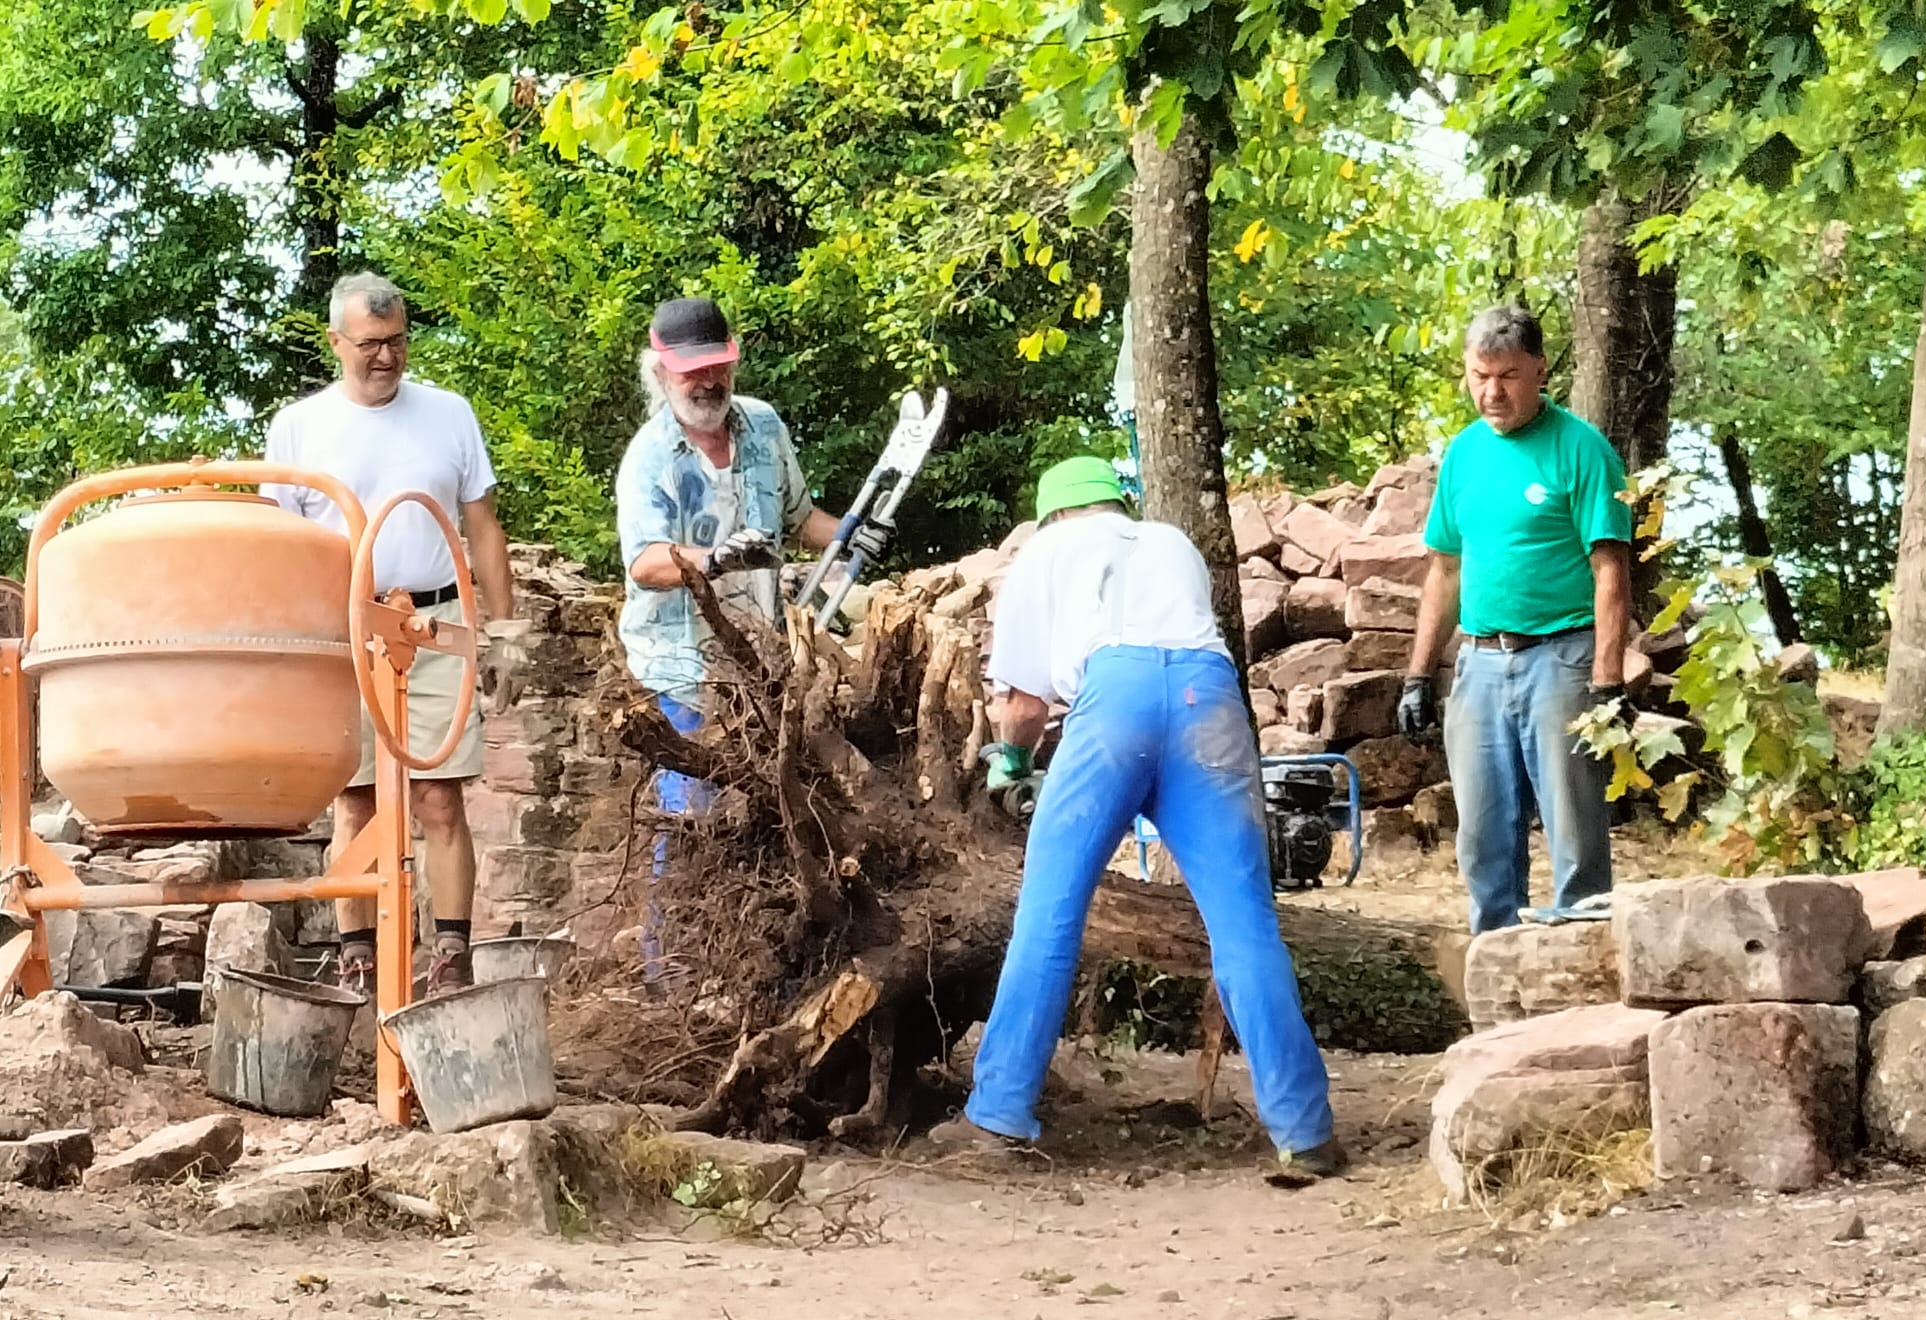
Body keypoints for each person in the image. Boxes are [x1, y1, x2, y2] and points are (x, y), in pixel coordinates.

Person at [929, 456, 1344, 1184]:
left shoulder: (1045, 553)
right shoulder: (1170, 542)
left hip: (1113, 701)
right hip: (1208, 702)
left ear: (1055, 514)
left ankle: (997, 1117)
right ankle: (1305, 1132)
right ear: (1115, 505)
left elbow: (1021, 705)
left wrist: (1012, 765)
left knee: (1050, 915)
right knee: (1244, 924)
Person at [262, 271, 515, 995]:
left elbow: (483, 528)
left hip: (434, 622)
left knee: (439, 796)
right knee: (357, 799)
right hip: (344, 628)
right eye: (371, 343)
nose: (387, 356)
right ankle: (360, 956)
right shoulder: (299, 426)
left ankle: (451, 954)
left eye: (398, 340)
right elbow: (279, 545)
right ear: (336, 342)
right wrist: (291, 651)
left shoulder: (448, 413)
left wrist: (505, 631)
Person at [614, 296, 842, 979]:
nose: (707, 382)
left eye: (717, 367)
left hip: (760, 663)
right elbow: (644, 563)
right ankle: (671, 972)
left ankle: (752, 967)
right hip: (682, 667)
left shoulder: (763, 426)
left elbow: (801, 519)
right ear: (660, 372)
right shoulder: (649, 457)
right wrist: (712, 560)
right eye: (692, 372)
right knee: (692, 816)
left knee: (772, 813)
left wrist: (856, 532)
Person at [1397, 305, 1633, 935]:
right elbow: (1445, 570)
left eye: (1507, 377)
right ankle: (1495, 957)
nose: (1492, 392)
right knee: (1480, 836)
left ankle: (1580, 957)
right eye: (1480, 376)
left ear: (1539, 371)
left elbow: (1610, 570)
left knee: (1574, 829)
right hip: (1479, 661)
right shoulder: (1464, 454)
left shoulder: (1582, 449)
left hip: (1562, 656)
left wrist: (1608, 683)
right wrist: (1418, 675)